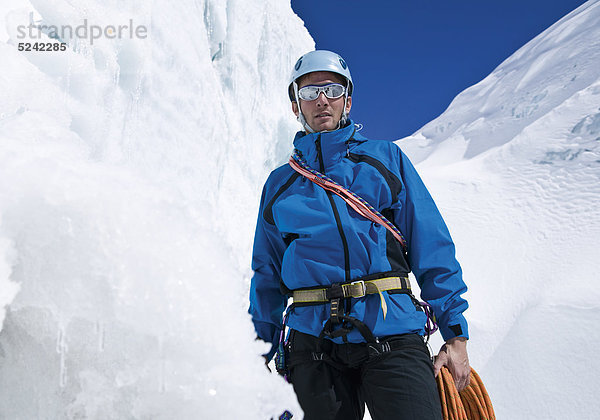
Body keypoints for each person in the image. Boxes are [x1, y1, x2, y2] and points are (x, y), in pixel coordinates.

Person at [249, 50, 470, 420]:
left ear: (347, 101)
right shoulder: (280, 184)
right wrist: (256, 356)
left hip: (393, 330)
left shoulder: (385, 159)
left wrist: (456, 335)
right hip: (312, 342)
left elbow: (430, 245)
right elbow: (267, 276)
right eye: (309, 92)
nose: (321, 99)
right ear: (295, 106)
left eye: (332, 90)